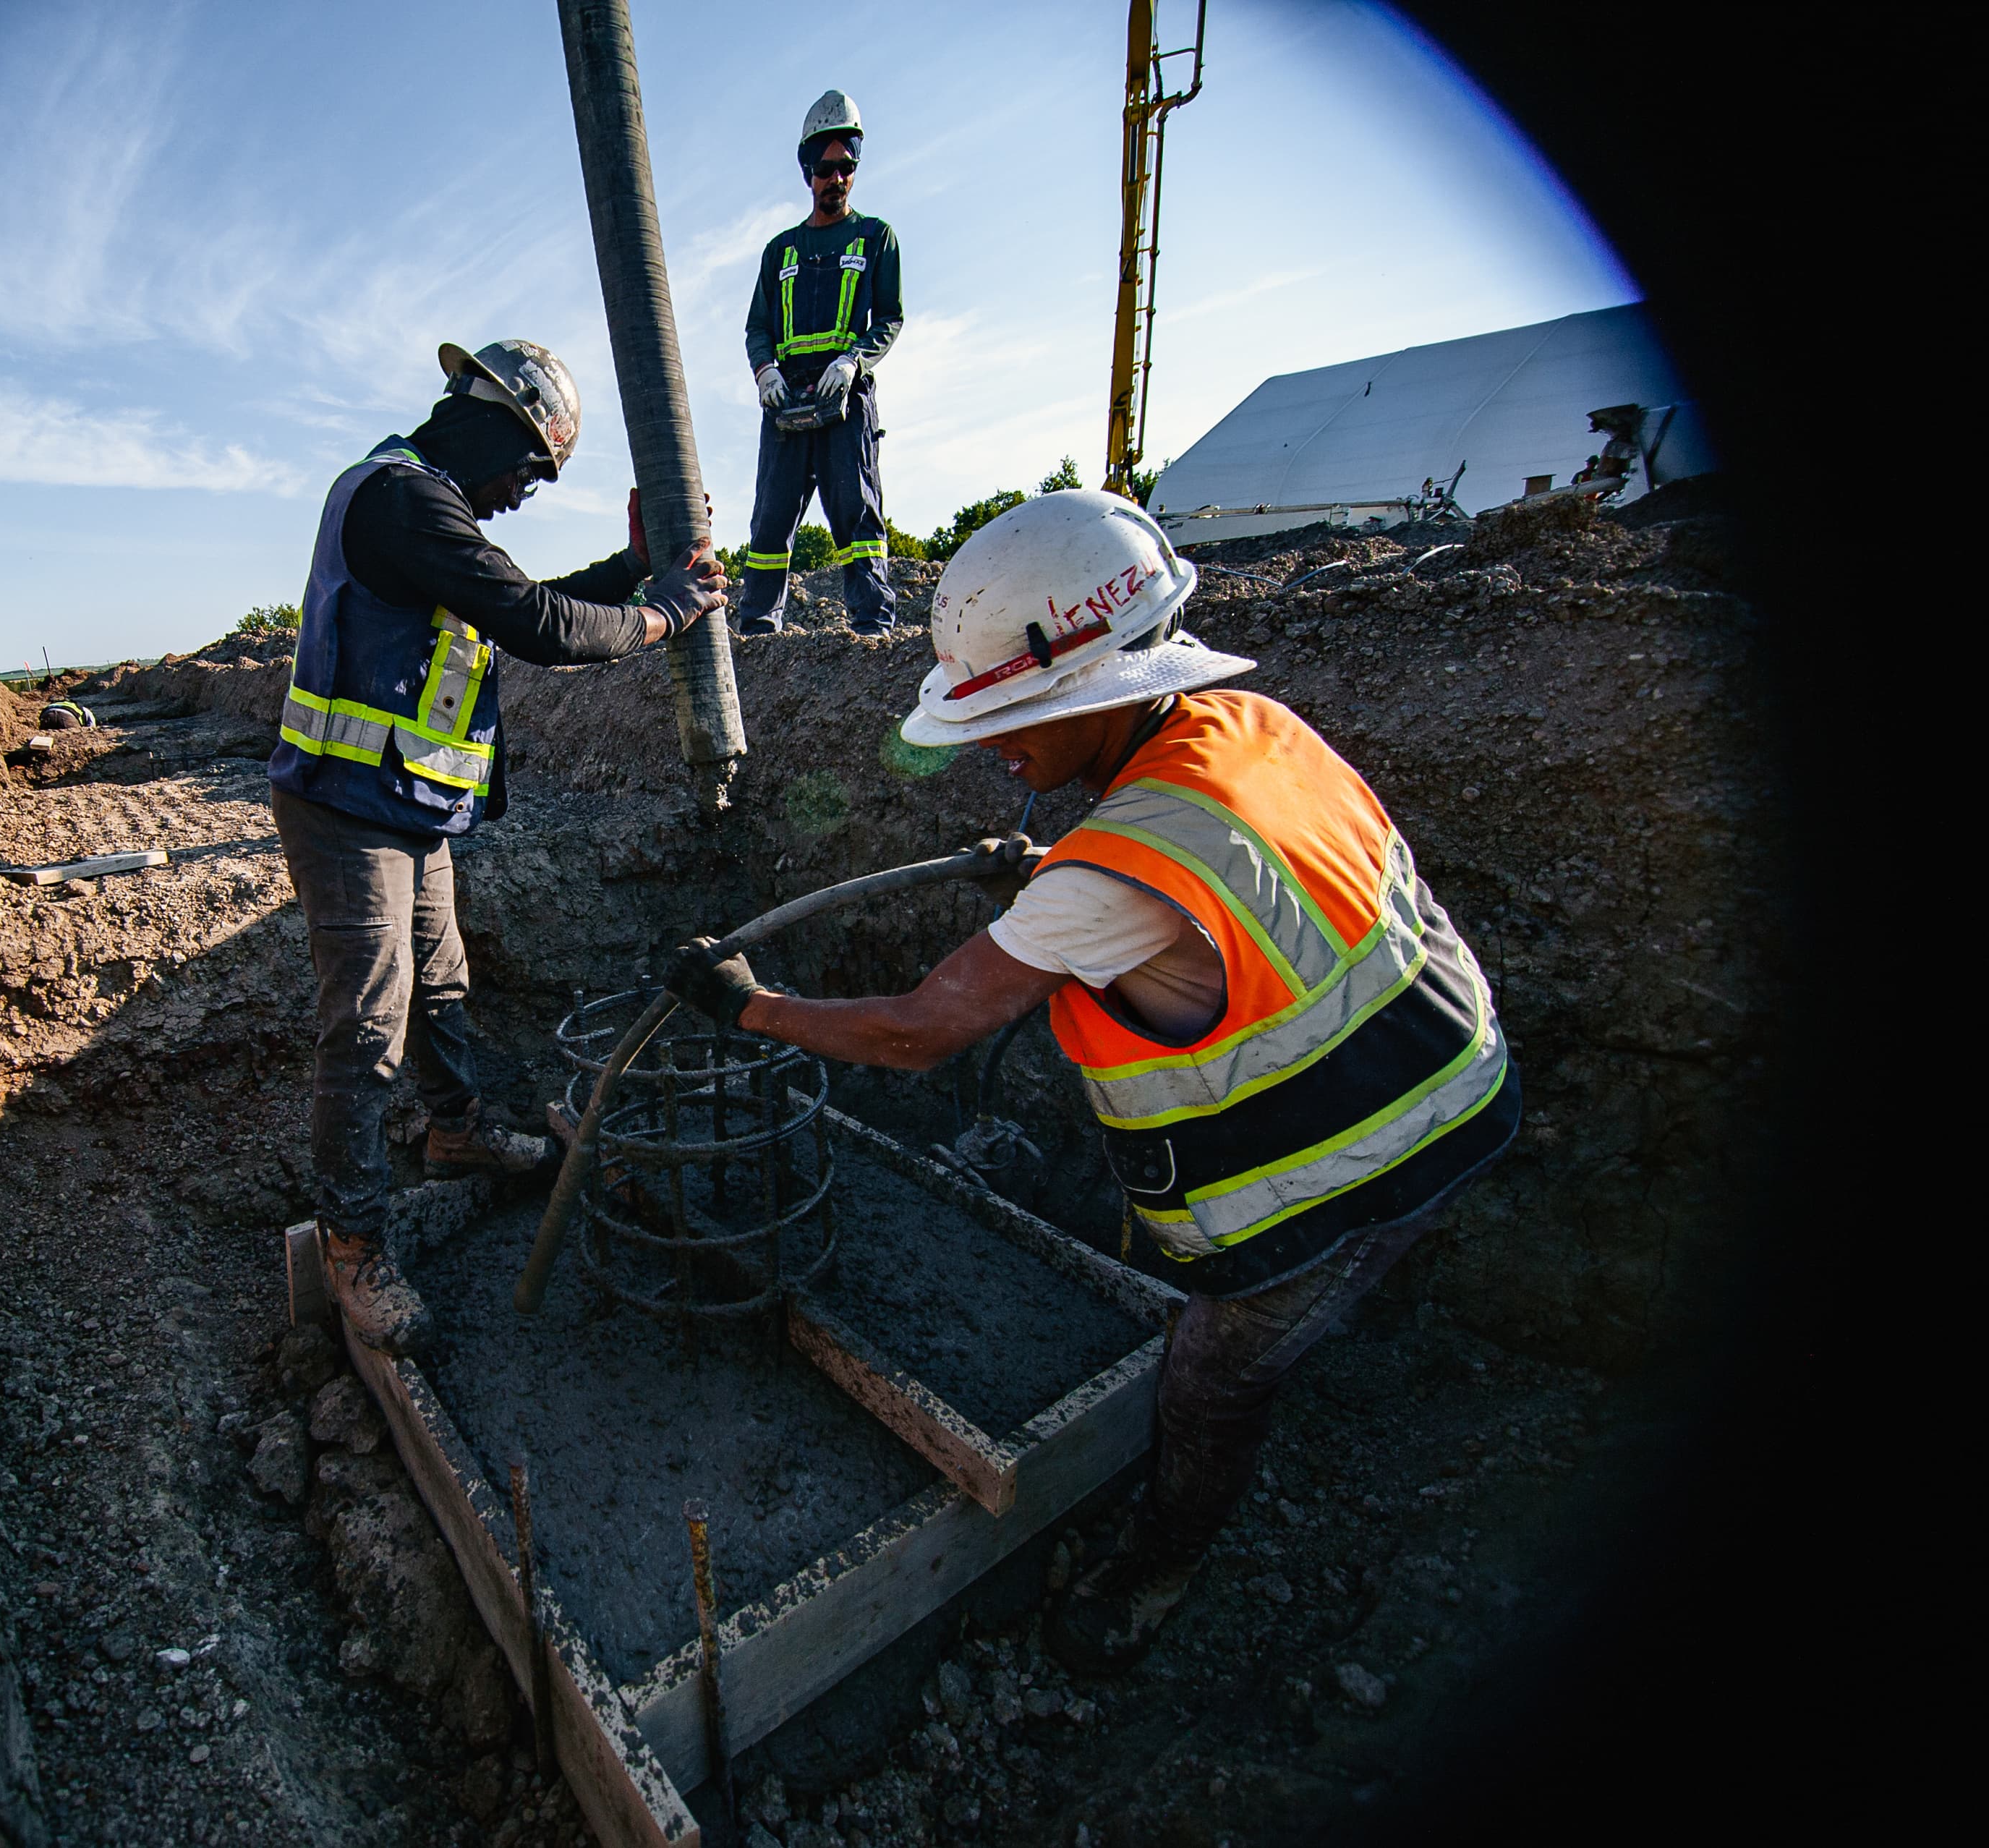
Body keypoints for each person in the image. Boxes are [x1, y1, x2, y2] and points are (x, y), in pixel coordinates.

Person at [665, 487, 1520, 1673]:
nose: (992, 745)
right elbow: (1206, 871)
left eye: (1016, 714)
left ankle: (1152, 1573)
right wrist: (1062, 874)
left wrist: (747, 1005)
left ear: (1101, 685)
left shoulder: (1110, 879)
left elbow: (919, 1032)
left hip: (1370, 1150)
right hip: (1456, 1066)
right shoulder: (1250, 728)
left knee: (1212, 1380)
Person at [273, 338, 730, 1355]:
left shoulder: (429, 507)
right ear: (491, 422)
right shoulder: (402, 499)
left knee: (441, 980)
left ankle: (458, 1130)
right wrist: (664, 612)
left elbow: (513, 601)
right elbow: (535, 622)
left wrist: (635, 570)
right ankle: (354, 1243)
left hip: (401, 803)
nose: (525, 494)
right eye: (532, 468)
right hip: (346, 808)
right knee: (369, 1025)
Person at [737, 89, 905, 637]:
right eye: (826, 169)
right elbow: (758, 327)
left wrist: (854, 361)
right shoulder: (780, 251)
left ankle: (872, 627)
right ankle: (758, 631)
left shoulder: (875, 237)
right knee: (770, 520)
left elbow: (889, 318)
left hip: (844, 398)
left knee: (857, 514)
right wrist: (765, 370)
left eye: (846, 168)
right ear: (807, 170)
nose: (836, 179)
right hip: (787, 398)